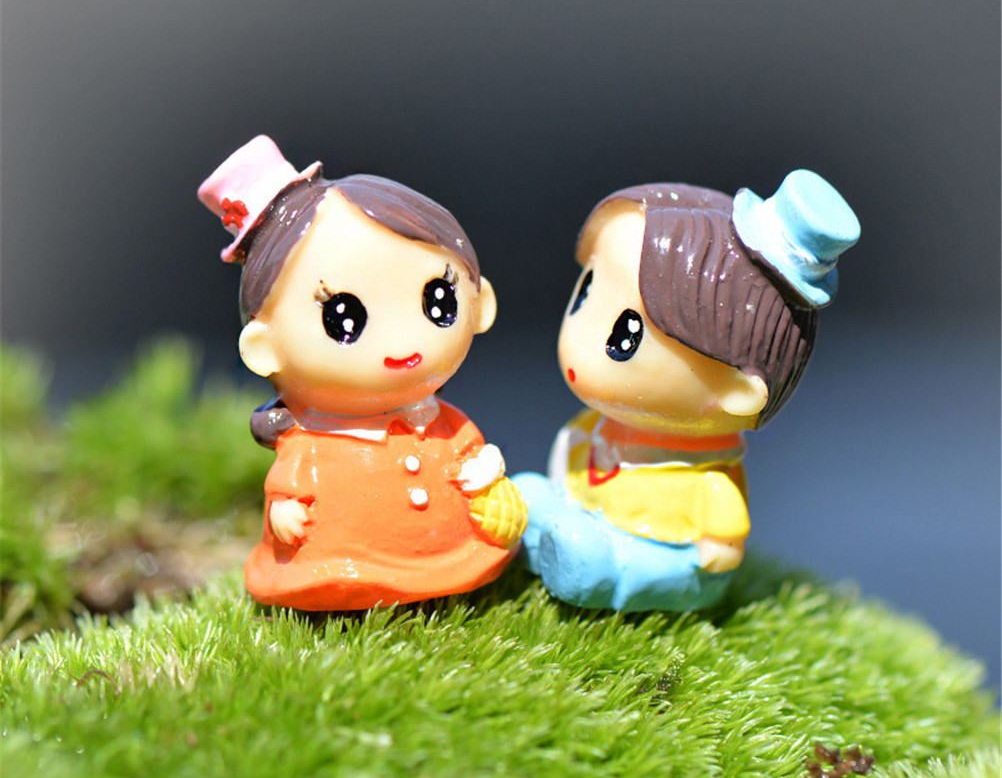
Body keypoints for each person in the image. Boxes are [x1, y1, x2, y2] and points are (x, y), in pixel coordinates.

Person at [199, 135, 526, 610]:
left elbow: (468, 454)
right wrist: (285, 511)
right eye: (344, 318)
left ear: (480, 303)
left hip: (453, 551)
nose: (403, 341)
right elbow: (290, 482)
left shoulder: (443, 423)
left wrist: (485, 481)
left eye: (438, 300)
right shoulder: (313, 442)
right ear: (264, 349)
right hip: (339, 555)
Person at [513, 170, 859, 612]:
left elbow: (721, 545)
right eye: (586, 291)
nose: (579, 341)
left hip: (660, 551)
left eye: (626, 335)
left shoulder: (708, 481)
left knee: (634, 563)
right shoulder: (594, 429)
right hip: (587, 511)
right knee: (530, 493)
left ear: (737, 392)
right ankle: (556, 540)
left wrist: (717, 548)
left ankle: (596, 570)